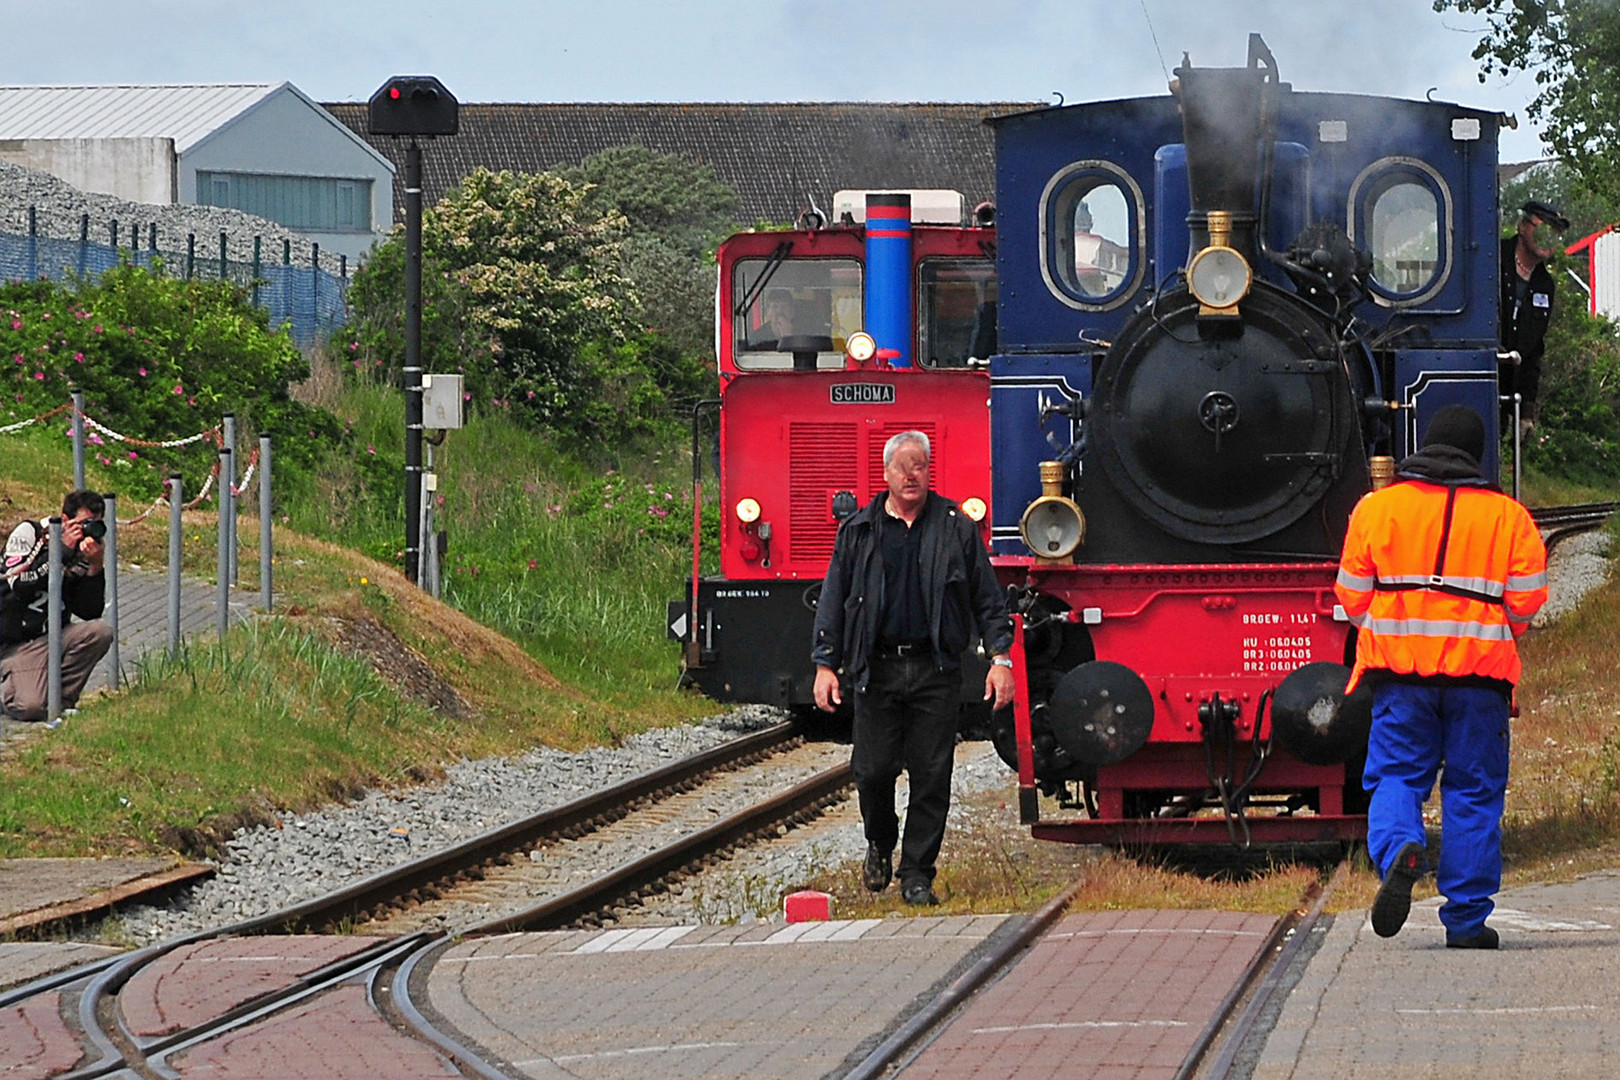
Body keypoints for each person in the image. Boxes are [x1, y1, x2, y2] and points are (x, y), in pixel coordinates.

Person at [1335, 406, 1547, 949]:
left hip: (1400, 680)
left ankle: (1401, 848)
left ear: (1424, 445)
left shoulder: (1376, 510)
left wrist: (1396, 627)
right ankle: (1468, 922)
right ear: (1476, 454)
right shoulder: (1510, 518)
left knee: (1395, 778)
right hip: (1481, 683)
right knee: (1474, 792)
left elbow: (1352, 597)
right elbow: (1525, 605)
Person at [811, 430, 1014, 906]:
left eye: (919, 465)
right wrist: (825, 664)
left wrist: (999, 659)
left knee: (931, 774)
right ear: (885, 474)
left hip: (934, 669)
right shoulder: (859, 531)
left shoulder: (954, 527)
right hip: (876, 671)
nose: (910, 474)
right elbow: (833, 601)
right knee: (873, 771)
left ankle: (917, 872)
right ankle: (881, 840)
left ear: (929, 471)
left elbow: (988, 600)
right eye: (902, 466)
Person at [1, 490, 114, 721]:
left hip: (52, 636)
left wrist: (95, 566)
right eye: (83, 524)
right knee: (30, 708)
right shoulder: (31, 534)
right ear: (64, 520)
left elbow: (89, 611)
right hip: (15, 643)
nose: (87, 531)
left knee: (99, 632)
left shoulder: (83, 549)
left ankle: (60, 701)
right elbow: (20, 584)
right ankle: (13, 686)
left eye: (96, 524)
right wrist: (61, 551)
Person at [1499, 199, 1568, 435]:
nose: (1548, 238)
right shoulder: (1491, 260)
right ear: (1522, 226)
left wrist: (1526, 412)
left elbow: (1534, 350)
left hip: (1507, 396)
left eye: (1555, 233)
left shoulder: (1544, 285)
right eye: (1544, 228)